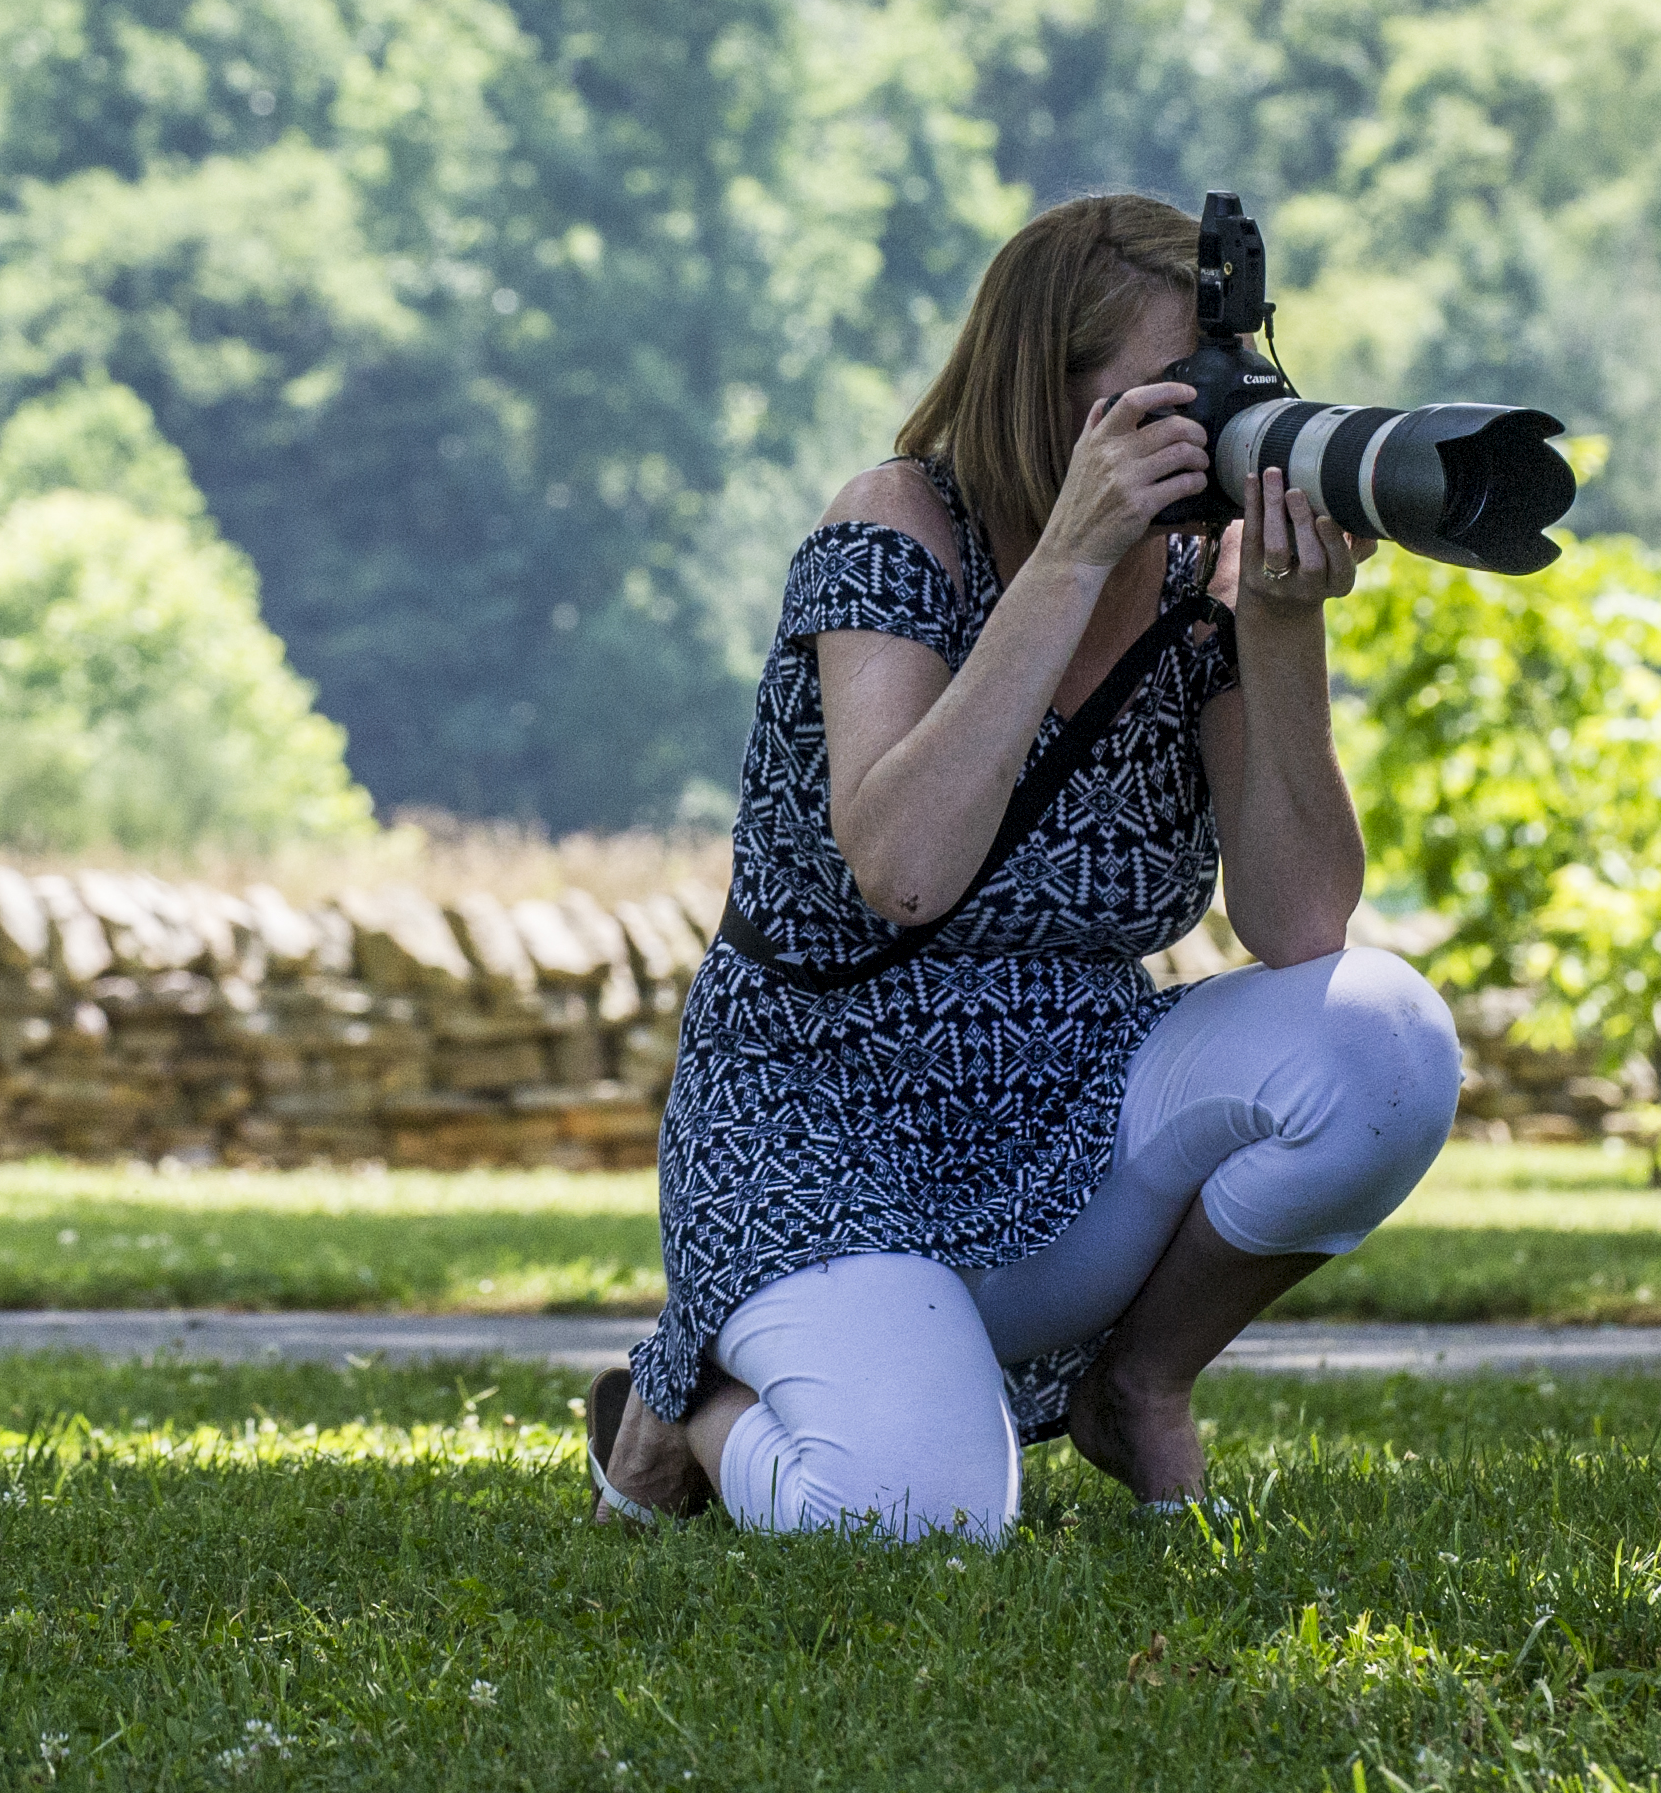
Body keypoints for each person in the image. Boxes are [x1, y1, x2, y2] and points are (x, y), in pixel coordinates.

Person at [587, 192, 1461, 1541]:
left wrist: (1280, 629)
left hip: (1072, 1126)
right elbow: (906, 871)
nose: (1211, 426)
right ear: (1040, 395)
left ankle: (1138, 1387)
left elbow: (1300, 926)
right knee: (912, 1520)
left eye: (1233, 388)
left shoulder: (1196, 582)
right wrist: (1072, 555)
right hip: (822, 1135)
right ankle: (680, 1411)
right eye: (1171, 395)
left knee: (1386, 1036)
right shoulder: (896, 528)